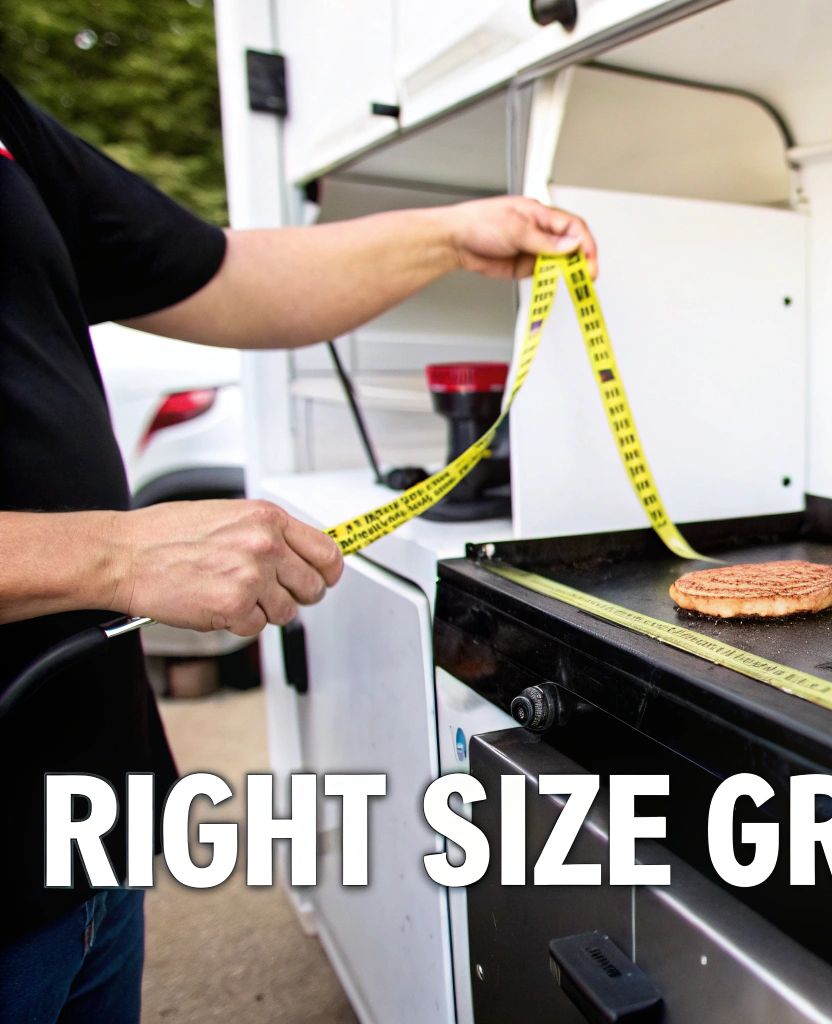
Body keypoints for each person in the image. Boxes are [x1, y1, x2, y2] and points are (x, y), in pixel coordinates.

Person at [0, 72, 597, 1021]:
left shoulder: (7, 123)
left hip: (80, 827)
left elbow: (222, 274)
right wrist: (108, 557)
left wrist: (450, 234)